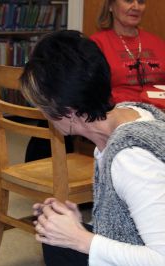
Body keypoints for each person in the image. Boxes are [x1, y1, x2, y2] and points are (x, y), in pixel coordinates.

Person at [20, 30, 165, 266]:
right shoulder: (129, 115)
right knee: (55, 238)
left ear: (67, 111)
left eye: (43, 108)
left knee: (63, 243)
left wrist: (82, 239)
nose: (43, 115)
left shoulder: (131, 158)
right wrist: (75, 226)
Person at [90, 0, 165, 107]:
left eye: (141, 2)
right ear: (110, 6)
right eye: (128, 0)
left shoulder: (158, 43)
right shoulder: (96, 44)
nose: (136, 7)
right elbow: (91, 93)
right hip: (120, 114)